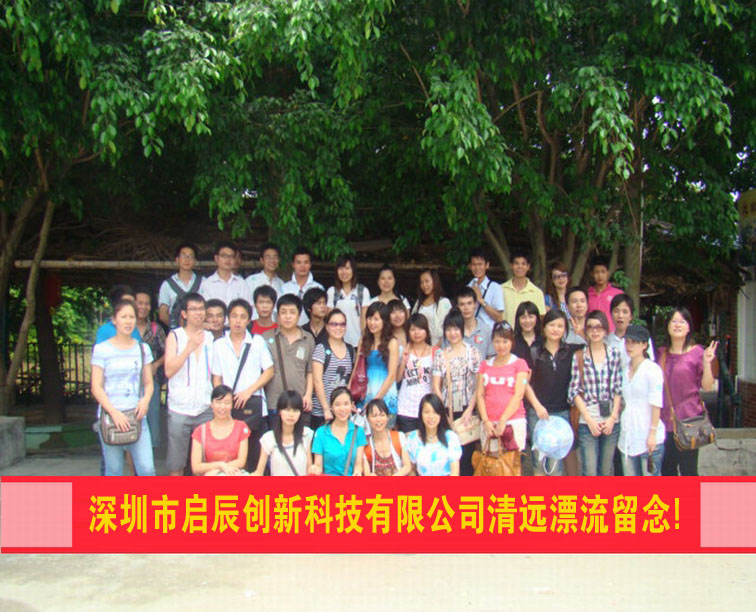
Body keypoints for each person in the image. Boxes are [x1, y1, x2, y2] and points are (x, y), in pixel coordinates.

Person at [90, 299, 155, 476]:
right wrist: (113, 412)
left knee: (147, 469)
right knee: (114, 470)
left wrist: (145, 401)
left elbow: (149, 383)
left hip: (137, 416)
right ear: (114, 320)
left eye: (131, 317)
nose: (128, 321)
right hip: (110, 417)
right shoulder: (102, 349)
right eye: (123, 317)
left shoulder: (143, 349)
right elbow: (96, 387)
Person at [211, 298, 274, 473]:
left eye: (242, 317)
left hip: (254, 405)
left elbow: (269, 371)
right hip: (228, 408)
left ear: (248, 320)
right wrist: (222, 402)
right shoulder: (219, 345)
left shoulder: (257, 341)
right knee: (232, 457)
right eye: (234, 316)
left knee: (256, 456)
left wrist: (248, 391)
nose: (238, 321)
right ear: (228, 319)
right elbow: (217, 377)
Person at [658, 308, 717, 476]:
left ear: (689, 327)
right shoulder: (661, 353)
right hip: (665, 420)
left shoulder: (697, 353)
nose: (677, 325)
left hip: (689, 421)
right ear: (668, 325)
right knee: (666, 470)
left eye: (682, 321)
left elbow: (707, 386)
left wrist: (707, 363)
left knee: (688, 471)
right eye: (674, 321)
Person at [524, 309, 583, 475]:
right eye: (552, 325)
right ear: (544, 328)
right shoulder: (534, 351)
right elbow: (525, 383)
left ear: (565, 330)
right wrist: (537, 406)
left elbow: (596, 344)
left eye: (560, 326)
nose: (555, 329)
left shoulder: (570, 351)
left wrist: (581, 332)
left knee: (556, 464)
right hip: (539, 413)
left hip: (562, 413)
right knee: (538, 461)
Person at [163, 292, 216, 476]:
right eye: (193, 309)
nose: (199, 313)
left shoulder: (210, 337)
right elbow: (168, 371)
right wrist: (189, 347)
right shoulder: (175, 336)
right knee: (176, 464)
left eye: (201, 309)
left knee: (203, 465)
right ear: (184, 314)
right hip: (180, 408)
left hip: (205, 408)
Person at [567, 310, 623, 476]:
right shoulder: (579, 356)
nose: (595, 331)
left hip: (611, 420)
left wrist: (612, 418)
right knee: (590, 470)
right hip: (588, 419)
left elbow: (618, 389)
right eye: (591, 327)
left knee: (606, 470)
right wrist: (589, 420)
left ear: (605, 329)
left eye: (599, 327)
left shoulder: (614, 354)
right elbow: (574, 391)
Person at [432, 309, 480, 476]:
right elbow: (436, 385)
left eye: (456, 329)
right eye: (448, 329)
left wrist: (470, 410)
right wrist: (443, 412)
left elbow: (479, 384)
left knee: (467, 455)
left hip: (468, 408)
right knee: (450, 454)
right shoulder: (440, 354)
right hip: (447, 409)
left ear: (462, 330)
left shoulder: (472, 352)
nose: (452, 333)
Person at [476, 322, 530, 456]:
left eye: (505, 341)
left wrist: (503, 420)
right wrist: (485, 420)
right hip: (489, 423)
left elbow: (519, 394)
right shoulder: (485, 365)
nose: (501, 346)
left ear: (512, 342)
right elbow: (480, 394)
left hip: (513, 421)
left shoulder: (520, 364)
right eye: (497, 341)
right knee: (491, 464)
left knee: (511, 463)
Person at [618, 325, 665, 476]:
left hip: (648, 436)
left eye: (634, 342)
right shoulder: (624, 369)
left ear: (644, 345)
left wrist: (652, 433)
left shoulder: (652, 370)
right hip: (628, 436)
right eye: (627, 342)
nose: (629, 346)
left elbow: (656, 403)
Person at [262, 294, 315, 427]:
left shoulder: (308, 339)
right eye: (283, 312)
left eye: (292, 312)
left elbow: (310, 371)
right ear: (278, 315)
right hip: (274, 403)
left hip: (300, 403)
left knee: (300, 439)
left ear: (299, 315)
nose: (287, 316)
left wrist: (308, 395)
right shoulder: (266, 338)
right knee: (275, 439)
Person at [354, 302, 399, 426]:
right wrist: (349, 390)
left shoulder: (392, 342)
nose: (371, 322)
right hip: (366, 390)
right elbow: (356, 368)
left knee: (385, 430)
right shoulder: (363, 340)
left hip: (385, 392)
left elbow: (392, 375)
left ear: (385, 321)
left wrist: (376, 399)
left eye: (376, 319)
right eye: (369, 318)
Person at [190, 384, 250, 476]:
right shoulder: (200, 431)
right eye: (218, 402)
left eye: (227, 403)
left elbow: (241, 461)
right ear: (211, 404)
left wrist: (220, 471)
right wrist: (220, 465)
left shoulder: (241, 427)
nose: (222, 407)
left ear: (232, 405)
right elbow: (196, 467)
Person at [311, 309, 355, 431]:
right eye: (334, 324)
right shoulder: (321, 349)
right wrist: (326, 408)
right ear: (326, 326)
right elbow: (317, 381)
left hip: (342, 411)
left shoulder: (350, 350)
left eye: (342, 324)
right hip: (321, 411)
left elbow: (350, 380)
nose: (338, 328)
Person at [253, 390, 314, 476]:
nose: (291, 414)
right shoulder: (269, 438)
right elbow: (259, 472)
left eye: (295, 410)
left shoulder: (306, 435)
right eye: (287, 410)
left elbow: (309, 469)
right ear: (279, 411)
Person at [135, 288, 166, 450]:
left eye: (147, 304)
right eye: (139, 303)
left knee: (152, 420)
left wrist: (156, 364)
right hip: (129, 383)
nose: (143, 307)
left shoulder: (155, 329)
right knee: (130, 422)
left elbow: (169, 351)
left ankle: (149, 456)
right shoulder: (125, 327)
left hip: (150, 382)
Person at [311, 387, 366, 476]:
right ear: (331, 407)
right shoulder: (321, 433)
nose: (342, 409)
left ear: (352, 405)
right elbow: (318, 465)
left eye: (346, 404)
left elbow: (358, 464)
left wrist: (358, 472)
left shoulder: (358, 431)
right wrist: (315, 469)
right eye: (337, 404)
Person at [396, 313, 434, 433]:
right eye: (413, 329)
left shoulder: (434, 352)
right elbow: (397, 379)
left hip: (427, 407)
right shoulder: (404, 350)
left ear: (426, 330)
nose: (416, 333)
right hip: (406, 407)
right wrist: (404, 360)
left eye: (420, 329)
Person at [406, 393, 462, 476]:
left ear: (440, 415)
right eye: (426, 412)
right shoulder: (413, 438)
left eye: (435, 412)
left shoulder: (451, 437)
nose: (431, 416)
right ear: (421, 414)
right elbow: (411, 469)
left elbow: (455, 472)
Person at [326, 254, 370, 346]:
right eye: (341, 268)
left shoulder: (362, 291)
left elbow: (364, 318)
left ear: (353, 270)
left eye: (347, 268)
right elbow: (329, 319)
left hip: (357, 343)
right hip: (337, 343)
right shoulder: (332, 291)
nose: (344, 272)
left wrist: (363, 341)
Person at [606, 293, 656, 373]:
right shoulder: (606, 341)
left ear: (631, 316)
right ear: (611, 314)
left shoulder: (642, 337)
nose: (620, 316)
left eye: (625, 312)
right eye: (616, 311)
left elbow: (650, 365)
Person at [158, 242, 202, 329]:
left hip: (199, 331)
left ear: (195, 261)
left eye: (191, 256)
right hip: (175, 332)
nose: (187, 259)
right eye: (183, 256)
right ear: (177, 260)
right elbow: (163, 314)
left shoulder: (203, 282)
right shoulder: (167, 285)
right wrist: (177, 329)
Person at [362, 399, 412, 476]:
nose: (378, 420)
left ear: (387, 417)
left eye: (382, 415)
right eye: (374, 416)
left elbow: (407, 466)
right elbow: (367, 473)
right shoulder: (365, 445)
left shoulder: (399, 437)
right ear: (368, 419)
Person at [200, 241, 252, 311]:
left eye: (231, 256)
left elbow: (247, 308)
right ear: (216, 258)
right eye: (224, 256)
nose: (228, 259)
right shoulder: (207, 284)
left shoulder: (241, 284)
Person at [280, 246, 324, 325]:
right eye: (298, 262)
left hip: (311, 330)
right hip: (289, 329)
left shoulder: (318, 288)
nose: (302, 266)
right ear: (293, 264)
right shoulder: (284, 288)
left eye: (306, 262)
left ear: (310, 264)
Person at [501, 249, 546, 326]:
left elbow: (541, 318)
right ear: (511, 266)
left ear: (528, 267)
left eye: (523, 264)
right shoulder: (501, 289)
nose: (520, 267)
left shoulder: (537, 292)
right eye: (516, 263)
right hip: (506, 332)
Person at [411, 268, 452, 346]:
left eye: (427, 281)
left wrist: (436, 347)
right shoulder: (419, 302)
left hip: (440, 345)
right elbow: (413, 323)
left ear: (435, 281)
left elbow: (449, 325)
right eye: (422, 282)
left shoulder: (444, 302)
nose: (424, 285)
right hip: (421, 346)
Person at [451, 287, 494, 359]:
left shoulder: (485, 329)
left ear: (475, 304)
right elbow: (445, 357)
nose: (466, 308)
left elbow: (491, 357)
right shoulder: (451, 331)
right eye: (462, 304)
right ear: (457, 307)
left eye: (469, 303)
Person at [467, 247, 505, 328]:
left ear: (487, 265)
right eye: (474, 264)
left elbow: (499, 318)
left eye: (480, 264)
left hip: (489, 333)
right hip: (470, 333)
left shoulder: (495, 288)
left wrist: (481, 301)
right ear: (469, 266)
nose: (477, 268)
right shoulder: (468, 287)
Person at [587, 255, 623, 332]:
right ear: (591, 274)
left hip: (612, 334)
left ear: (608, 273)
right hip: (592, 334)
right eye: (597, 272)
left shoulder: (618, 294)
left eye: (603, 272)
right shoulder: (587, 295)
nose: (600, 276)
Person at [245, 242, 285, 308]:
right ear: (262, 260)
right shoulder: (251, 281)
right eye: (268, 257)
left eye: (275, 257)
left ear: (279, 260)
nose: (272, 260)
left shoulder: (281, 284)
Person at [512, 300, 543, 370]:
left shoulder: (544, 341)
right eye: (523, 317)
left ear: (537, 319)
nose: (527, 321)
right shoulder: (512, 342)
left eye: (531, 317)